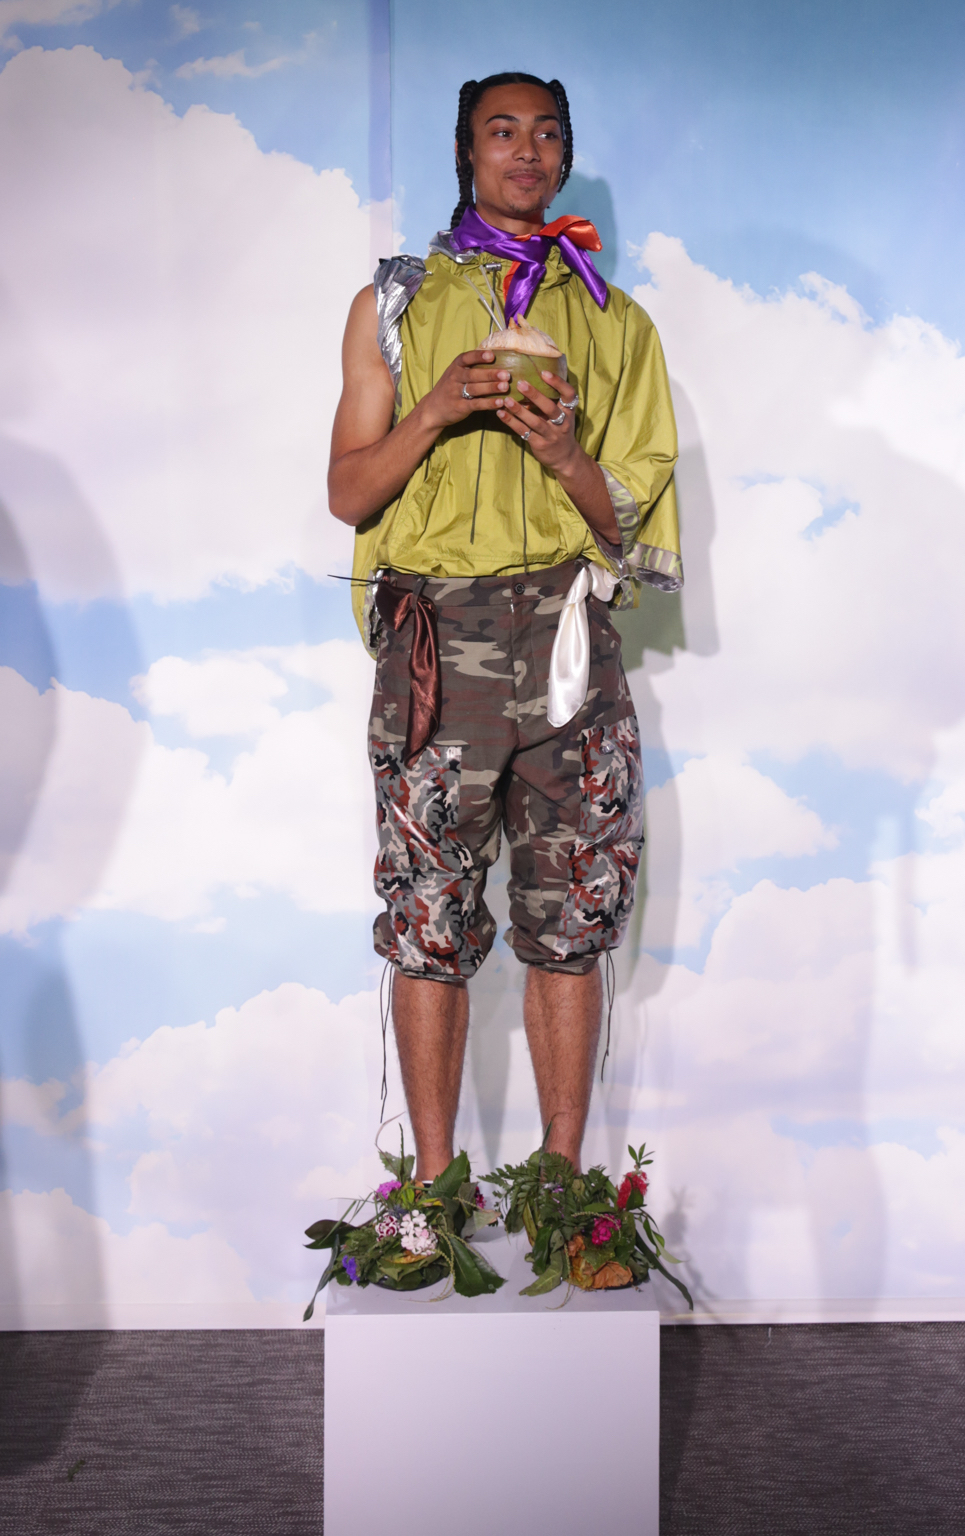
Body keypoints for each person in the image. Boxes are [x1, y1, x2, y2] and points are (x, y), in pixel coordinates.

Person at [328, 72, 681, 1179]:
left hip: (570, 639)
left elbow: (631, 524)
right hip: (437, 641)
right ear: (464, 150)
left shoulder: (616, 322)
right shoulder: (394, 304)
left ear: (564, 155)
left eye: (547, 133)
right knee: (428, 913)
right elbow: (347, 491)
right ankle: (431, 1198)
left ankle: (566, 1197)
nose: (527, 150)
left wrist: (565, 453)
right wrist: (437, 407)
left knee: (574, 911)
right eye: (502, 130)